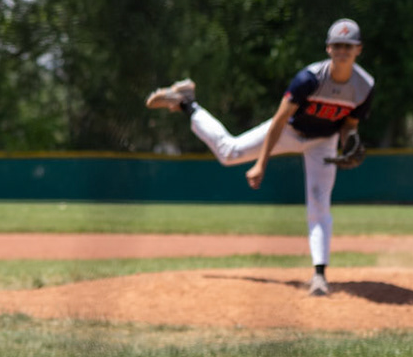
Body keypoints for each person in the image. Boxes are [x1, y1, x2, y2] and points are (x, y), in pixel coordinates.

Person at [146, 18, 376, 296]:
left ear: (359, 49)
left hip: (323, 142)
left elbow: (349, 124)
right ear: (328, 48)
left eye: (348, 46)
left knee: (319, 204)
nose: (342, 51)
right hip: (289, 130)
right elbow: (279, 121)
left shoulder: (364, 86)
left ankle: (319, 276)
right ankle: (188, 103)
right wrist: (261, 164)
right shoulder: (310, 79)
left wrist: (349, 142)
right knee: (229, 152)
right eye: (337, 45)